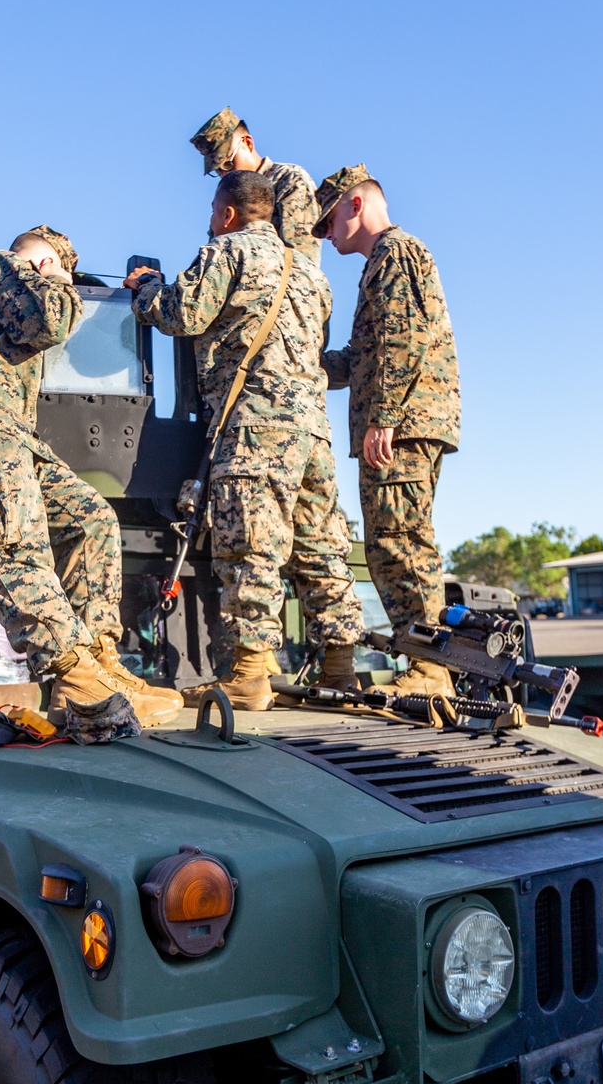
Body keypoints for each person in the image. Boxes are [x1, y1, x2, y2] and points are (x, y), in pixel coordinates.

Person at [0, 226, 184, 726]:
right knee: (14, 541)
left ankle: (100, 664)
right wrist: (56, 277)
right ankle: (75, 678)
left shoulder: (11, 289)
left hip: (6, 434)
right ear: (48, 259)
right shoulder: (0, 265)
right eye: (62, 269)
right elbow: (51, 322)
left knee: (91, 517)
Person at [124, 171, 363, 711]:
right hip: (312, 431)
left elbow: (181, 314)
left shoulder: (225, 252)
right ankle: (340, 670)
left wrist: (145, 289)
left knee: (250, 545)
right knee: (322, 546)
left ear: (228, 213)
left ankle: (251, 676)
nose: (210, 219)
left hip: (254, 427)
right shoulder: (309, 273)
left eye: (213, 209)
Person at [315, 166, 461, 698]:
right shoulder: (384, 260)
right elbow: (362, 357)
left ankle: (430, 668)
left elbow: (404, 339)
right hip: (408, 419)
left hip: (404, 424)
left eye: (328, 220)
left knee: (398, 541)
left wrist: (384, 419)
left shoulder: (395, 252)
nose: (326, 236)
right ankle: (428, 662)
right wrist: (299, 365)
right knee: (395, 540)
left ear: (355, 205)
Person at [190, 107, 321, 263]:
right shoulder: (227, 196)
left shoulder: (289, 180)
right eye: (217, 170)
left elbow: (301, 258)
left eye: (228, 164)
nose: (224, 174)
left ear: (247, 143)